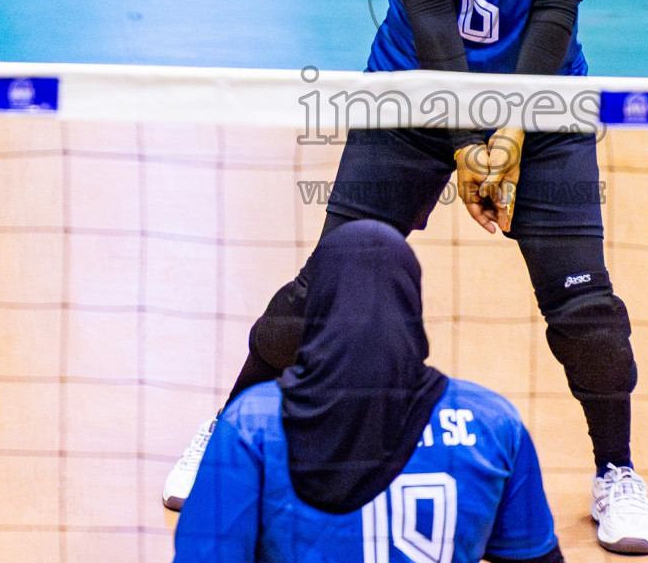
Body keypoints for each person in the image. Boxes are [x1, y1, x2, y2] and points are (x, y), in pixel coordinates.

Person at [166, 0, 648, 554]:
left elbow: (555, 13)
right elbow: (429, 9)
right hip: (410, 92)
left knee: (585, 309)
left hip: (540, 103)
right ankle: (220, 435)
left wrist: (508, 132)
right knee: (323, 286)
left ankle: (617, 470)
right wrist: (471, 135)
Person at [172, 221, 564, 563]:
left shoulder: (252, 423)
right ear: (410, 302)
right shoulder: (492, 421)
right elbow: (535, 555)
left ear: (319, 303)